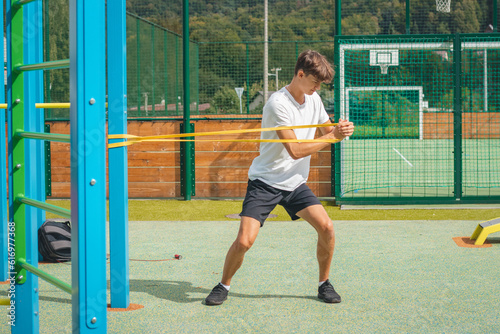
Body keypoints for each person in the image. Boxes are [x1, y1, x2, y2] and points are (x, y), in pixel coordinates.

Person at [205, 50, 355, 306]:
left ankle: (324, 284)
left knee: (327, 227)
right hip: (265, 183)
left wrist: (340, 129)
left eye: (320, 84)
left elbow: (327, 130)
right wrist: (332, 138)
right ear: (300, 74)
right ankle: (223, 284)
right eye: (315, 82)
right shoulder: (277, 104)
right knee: (244, 241)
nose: (318, 88)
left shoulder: (314, 99)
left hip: (295, 184)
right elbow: (295, 150)